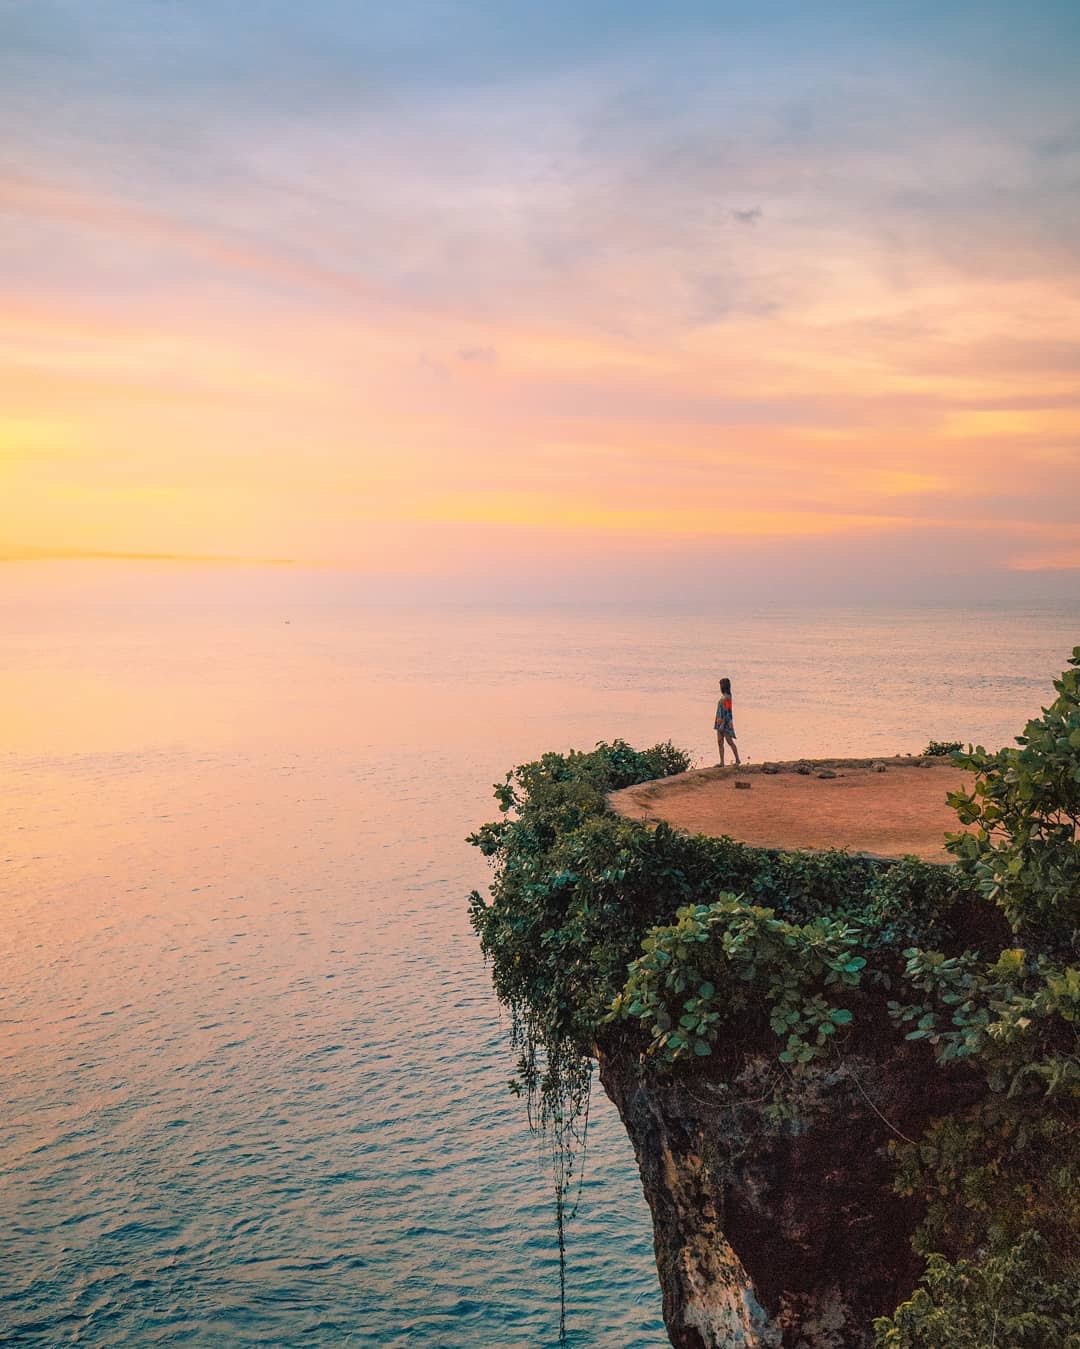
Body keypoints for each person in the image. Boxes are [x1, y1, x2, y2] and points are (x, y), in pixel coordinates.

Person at [715, 677, 741, 766]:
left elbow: (727, 711)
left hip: (725, 722)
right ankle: (722, 762)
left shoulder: (728, 697)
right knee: (719, 741)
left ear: (724, 686)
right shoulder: (723, 697)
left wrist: (723, 723)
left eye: (721, 685)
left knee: (729, 741)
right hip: (719, 721)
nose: (720, 687)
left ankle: (737, 759)